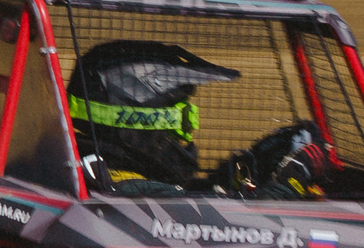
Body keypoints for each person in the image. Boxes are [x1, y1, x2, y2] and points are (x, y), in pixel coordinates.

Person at [63, 40, 240, 194]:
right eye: (181, 125)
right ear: (135, 124)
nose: (187, 137)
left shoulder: (97, 173)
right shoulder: (141, 192)